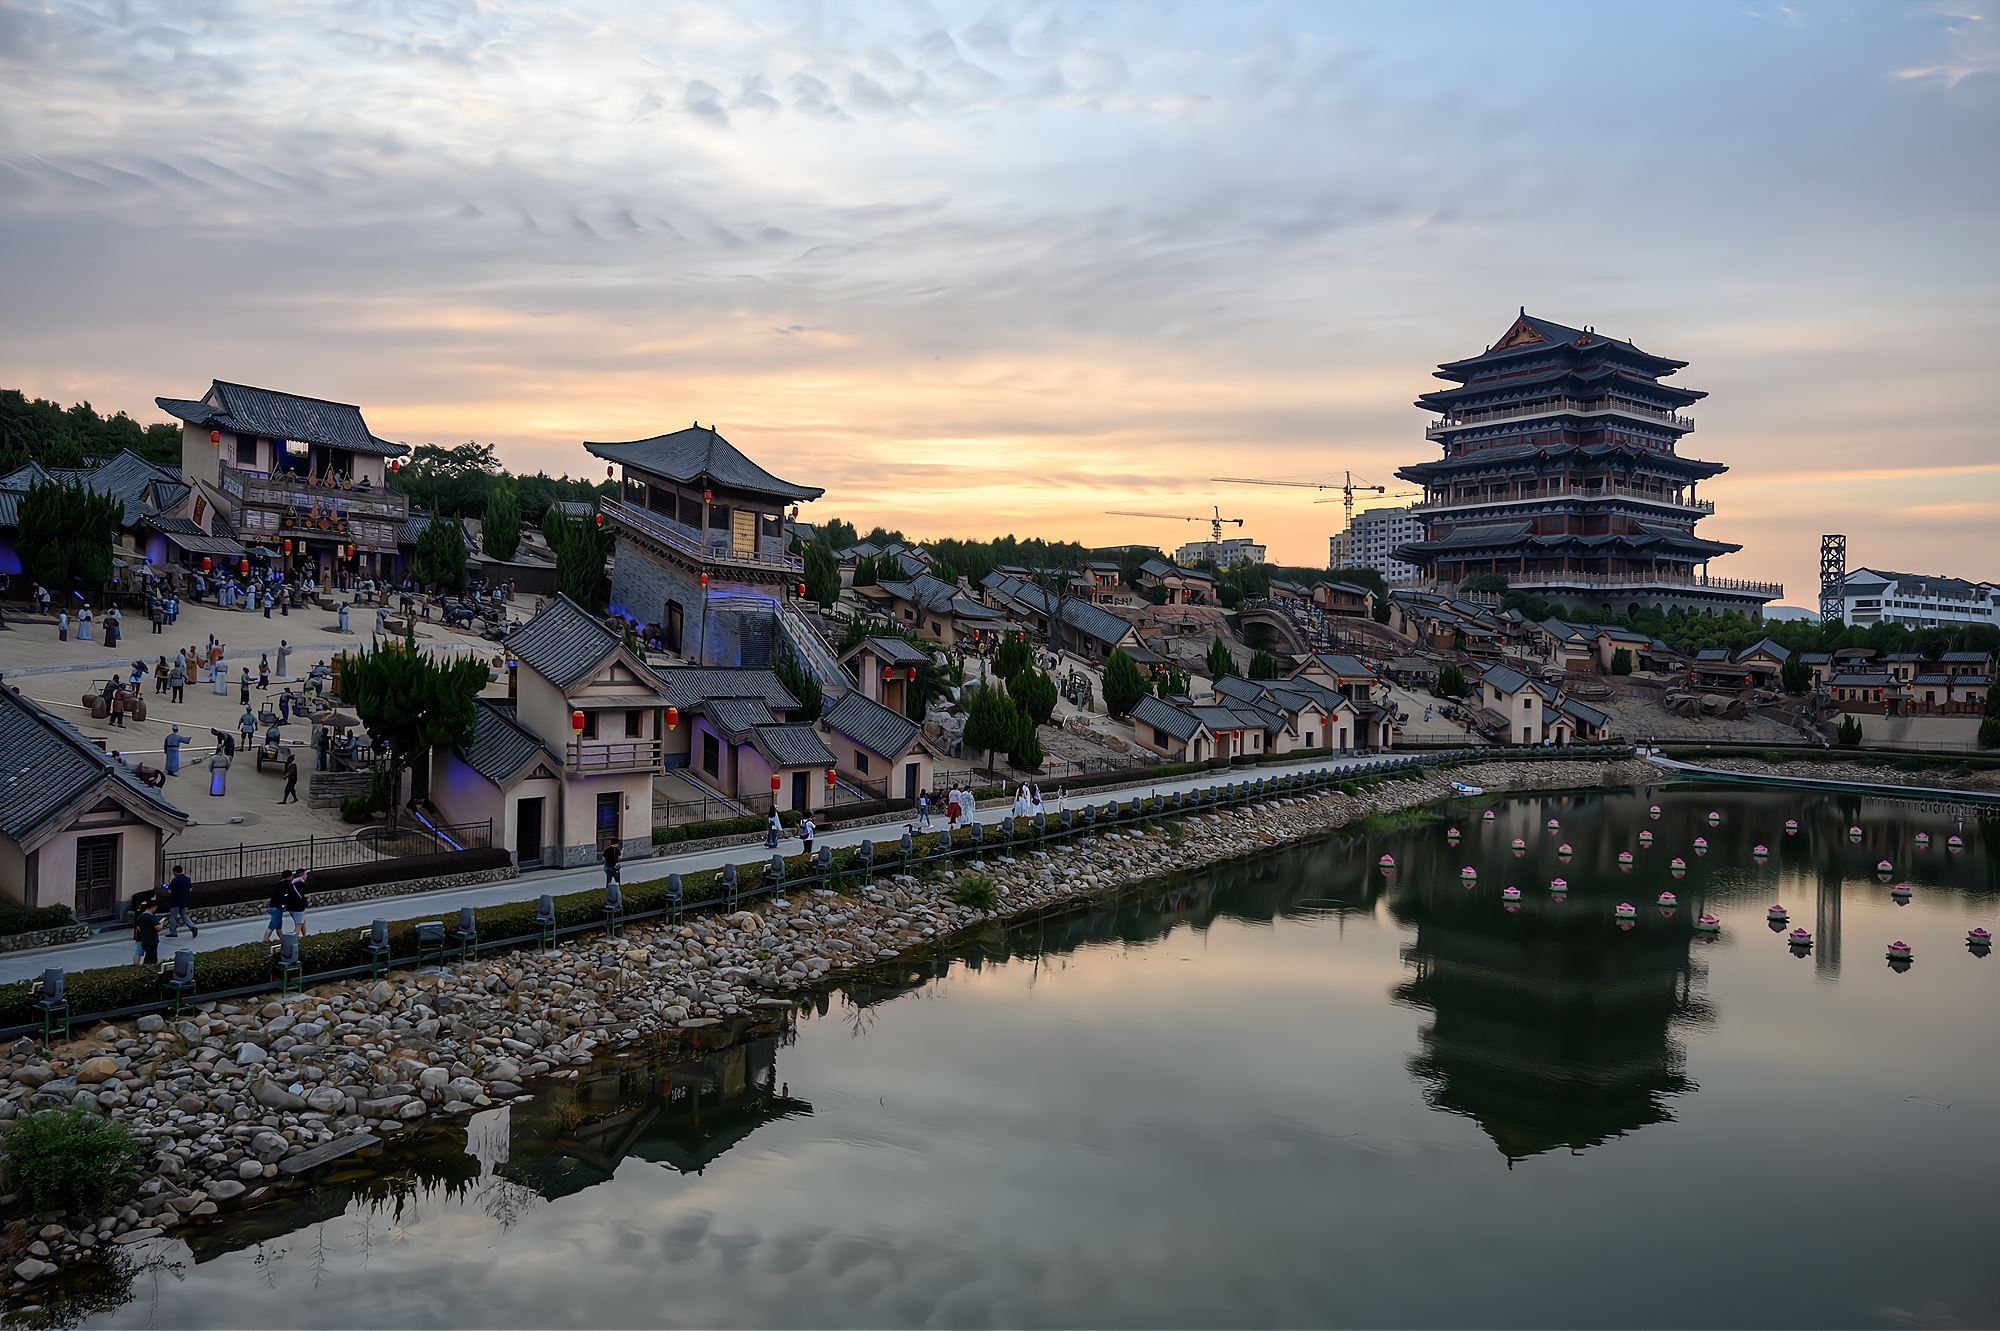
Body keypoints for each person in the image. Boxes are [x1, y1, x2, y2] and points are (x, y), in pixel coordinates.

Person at [165, 865, 197, 939]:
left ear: (175, 872)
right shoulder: (187, 879)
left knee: (173, 916)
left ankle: (173, 932)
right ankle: (192, 927)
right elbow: (190, 889)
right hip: (185, 900)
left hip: (175, 901)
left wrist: (168, 889)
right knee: (184, 915)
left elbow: (170, 891)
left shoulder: (175, 880)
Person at [132, 890, 162, 967]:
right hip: (146, 933)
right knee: (149, 952)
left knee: (139, 951)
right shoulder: (147, 908)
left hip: (139, 930)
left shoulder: (140, 906)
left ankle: (136, 967)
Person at [281, 870, 309, 937]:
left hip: (291, 907)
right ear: (302, 875)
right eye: (305, 874)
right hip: (298, 907)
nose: (306, 876)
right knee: (298, 925)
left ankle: (304, 936)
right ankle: (291, 940)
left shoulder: (291, 883)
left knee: (302, 921)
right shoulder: (301, 884)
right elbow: (305, 895)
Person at [263, 874, 288, 942]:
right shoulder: (285, 885)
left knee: (278, 925)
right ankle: (266, 939)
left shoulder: (278, 884)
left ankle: (282, 939)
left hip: (272, 907)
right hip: (277, 908)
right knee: (273, 925)